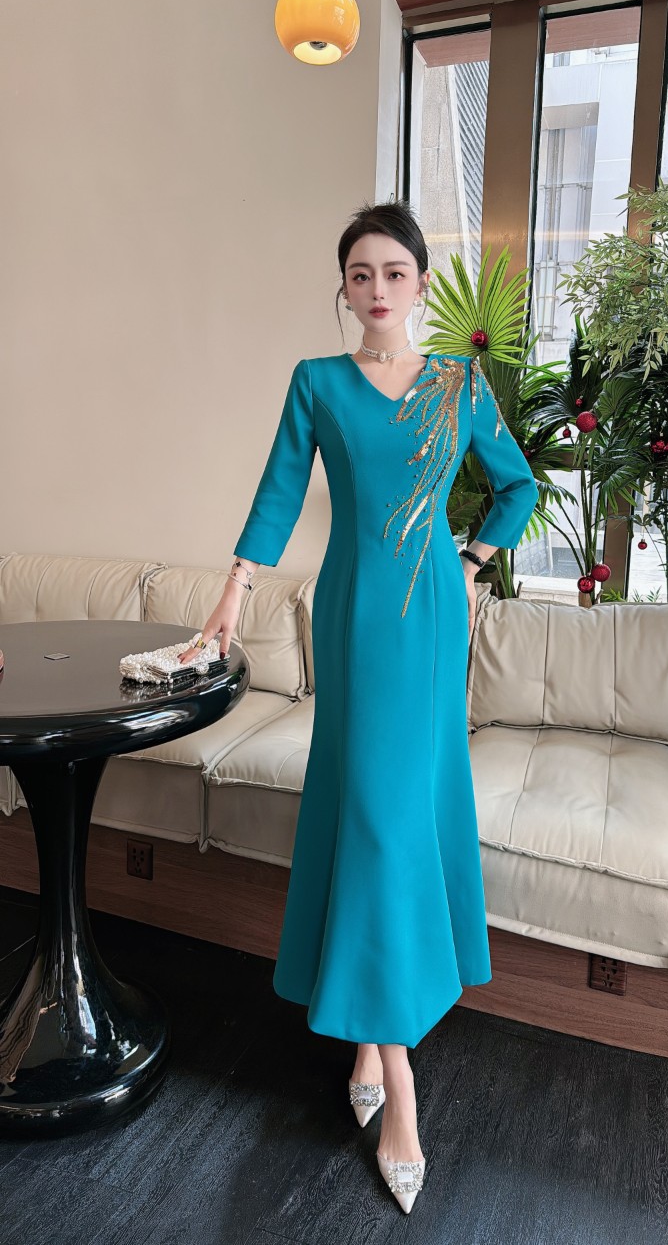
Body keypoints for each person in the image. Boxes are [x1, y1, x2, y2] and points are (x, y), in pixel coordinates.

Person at [177, 200, 539, 1213]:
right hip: (352, 616)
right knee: (370, 817)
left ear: (420, 282)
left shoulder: (459, 385)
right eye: (359, 273)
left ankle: (380, 1050)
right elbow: (277, 491)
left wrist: (471, 559)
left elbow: (516, 487)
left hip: (429, 624)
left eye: (393, 271)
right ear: (342, 288)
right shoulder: (318, 382)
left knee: (399, 819)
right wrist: (234, 590)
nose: (376, 288)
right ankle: (395, 1069)